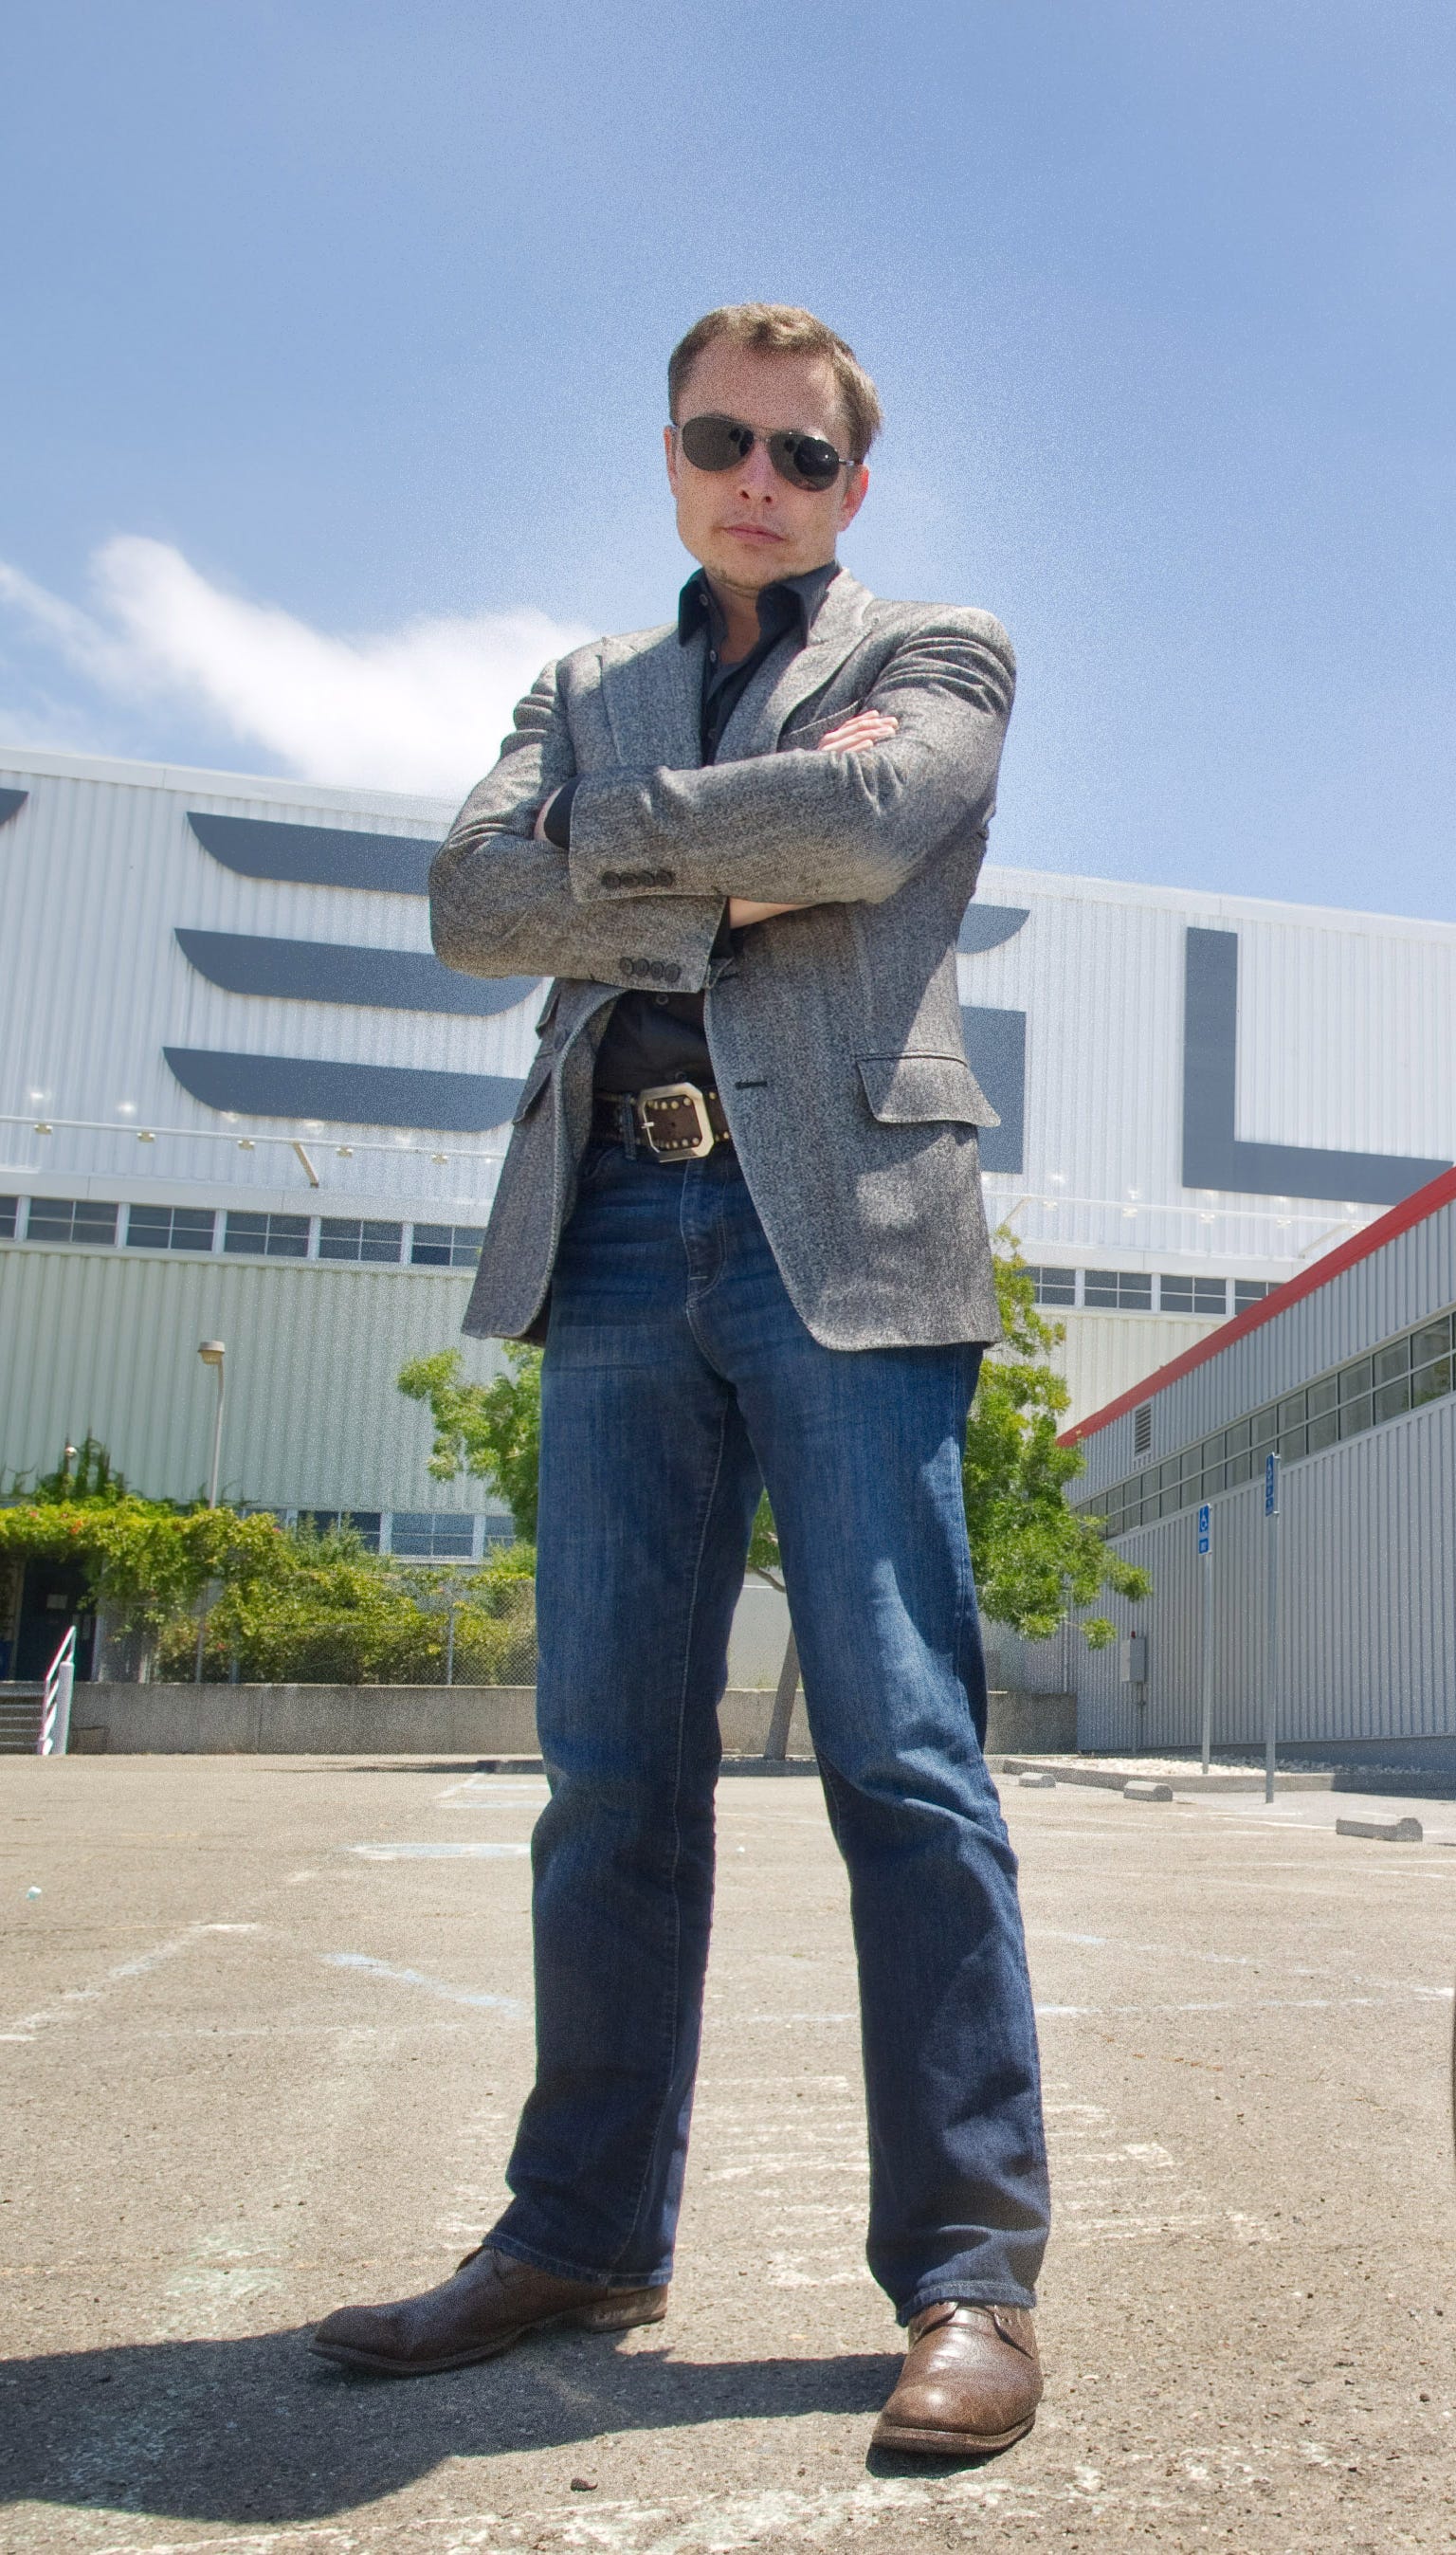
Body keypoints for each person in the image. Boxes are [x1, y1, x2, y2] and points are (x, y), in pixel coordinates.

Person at [311, 303, 1046, 2460]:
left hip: (847, 1238)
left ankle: (968, 2279)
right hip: (614, 1241)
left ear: (851, 482)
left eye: (798, 454)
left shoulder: (945, 643)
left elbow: (874, 820)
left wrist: (608, 860)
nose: (757, 477)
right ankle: (577, 2229)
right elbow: (466, 900)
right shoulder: (577, 684)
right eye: (719, 439)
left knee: (905, 1763)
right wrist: (717, 851)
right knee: (608, 1772)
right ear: (667, 455)